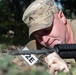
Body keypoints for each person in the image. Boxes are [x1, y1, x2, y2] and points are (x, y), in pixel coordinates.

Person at [22, 0, 76, 74]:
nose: (45, 40)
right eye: (38, 35)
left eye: (47, 30)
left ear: (62, 17)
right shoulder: (31, 50)